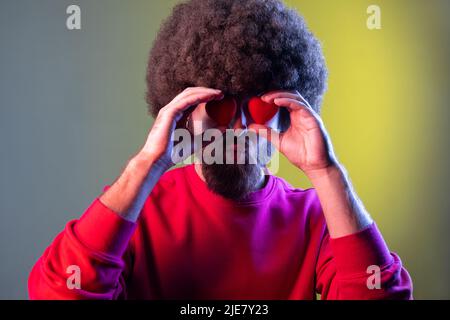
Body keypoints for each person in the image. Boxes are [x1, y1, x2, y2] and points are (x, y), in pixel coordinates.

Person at [28, 0, 412, 299]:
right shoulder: (135, 209)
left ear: (290, 113)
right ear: (182, 110)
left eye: (261, 106)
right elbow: (56, 293)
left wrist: (327, 173)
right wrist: (145, 166)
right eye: (219, 106)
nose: (238, 127)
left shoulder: (319, 217)